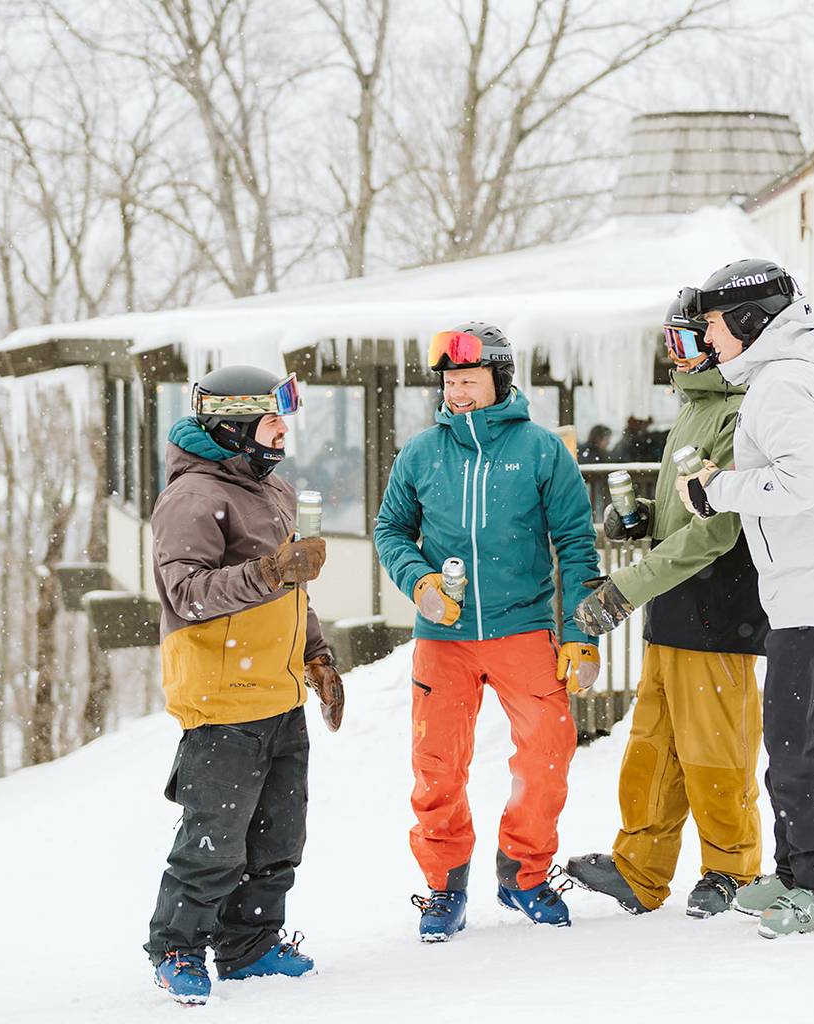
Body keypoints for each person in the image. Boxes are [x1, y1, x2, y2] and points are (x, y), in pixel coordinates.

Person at [673, 259, 814, 940]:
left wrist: (720, 490)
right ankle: (800, 869)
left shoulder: (783, 386)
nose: (707, 341)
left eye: (712, 326)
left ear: (749, 320)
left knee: (802, 749)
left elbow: (804, 485)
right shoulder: (784, 380)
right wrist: (733, 481)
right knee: (796, 745)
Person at [373, 322, 601, 941]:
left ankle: (524, 874)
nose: (458, 392)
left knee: (548, 754)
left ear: (499, 379)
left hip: (522, 627)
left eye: (469, 379)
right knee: (437, 767)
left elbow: (577, 544)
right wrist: (418, 580)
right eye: (449, 382)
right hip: (441, 637)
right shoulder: (422, 453)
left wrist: (581, 632)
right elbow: (390, 529)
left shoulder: (540, 450)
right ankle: (444, 887)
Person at [143, 365, 344, 1005]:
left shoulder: (271, 490)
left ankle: (248, 945)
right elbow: (187, 593)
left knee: (280, 834)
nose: (284, 431)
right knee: (215, 838)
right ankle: (177, 947)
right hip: (222, 697)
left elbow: (291, 590)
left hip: (278, 693)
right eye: (270, 420)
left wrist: (317, 657)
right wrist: (268, 571)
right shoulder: (193, 499)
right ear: (232, 426)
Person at [565, 296, 770, 918]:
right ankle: (640, 869)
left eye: (685, 343)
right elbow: (685, 516)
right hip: (671, 609)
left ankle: (731, 868)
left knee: (716, 749)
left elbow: (716, 531)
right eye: (670, 346)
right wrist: (639, 520)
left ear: (716, 343)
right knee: (653, 746)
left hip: (719, 607)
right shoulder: (696, 410)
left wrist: (625, 589)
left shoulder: (742, 413)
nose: (674, 359)